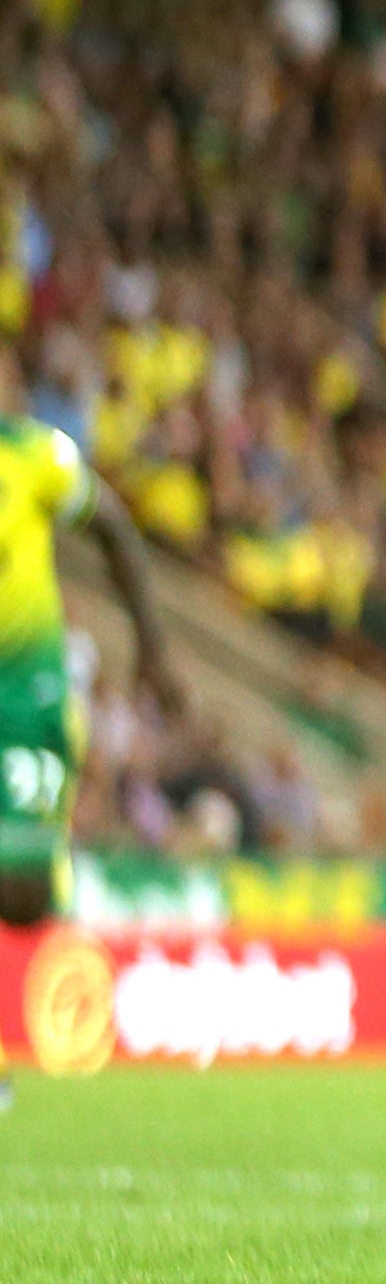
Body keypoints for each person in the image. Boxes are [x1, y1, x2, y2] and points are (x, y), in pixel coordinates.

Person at [0, 364, 182, 942]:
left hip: (26, 690)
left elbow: (113, 527)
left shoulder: (32, 455)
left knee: (23, 895)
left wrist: (151, 645)